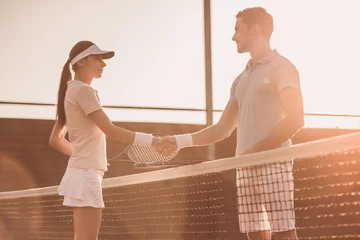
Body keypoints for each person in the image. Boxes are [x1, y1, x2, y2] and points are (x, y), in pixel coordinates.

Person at [158, 7, 304, 240]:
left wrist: (257, 150)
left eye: (237, 29)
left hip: (273, 166)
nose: (233, 36)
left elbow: (296, 118)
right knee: (255, 235)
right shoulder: (240, 80)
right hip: (245, 168)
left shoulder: (282, 66)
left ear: (255, 29)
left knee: (284, 234)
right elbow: (222, 128)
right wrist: (179, 141)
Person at [48, 40, 165, 240]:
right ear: (81, 62)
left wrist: (86, 155)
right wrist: (153, 141)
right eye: (98, 59)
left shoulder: (73, 90)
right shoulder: (83, 91)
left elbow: (55, 140)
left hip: (82, 172)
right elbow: (110, 131)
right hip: (86, 175)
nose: (103, 63)